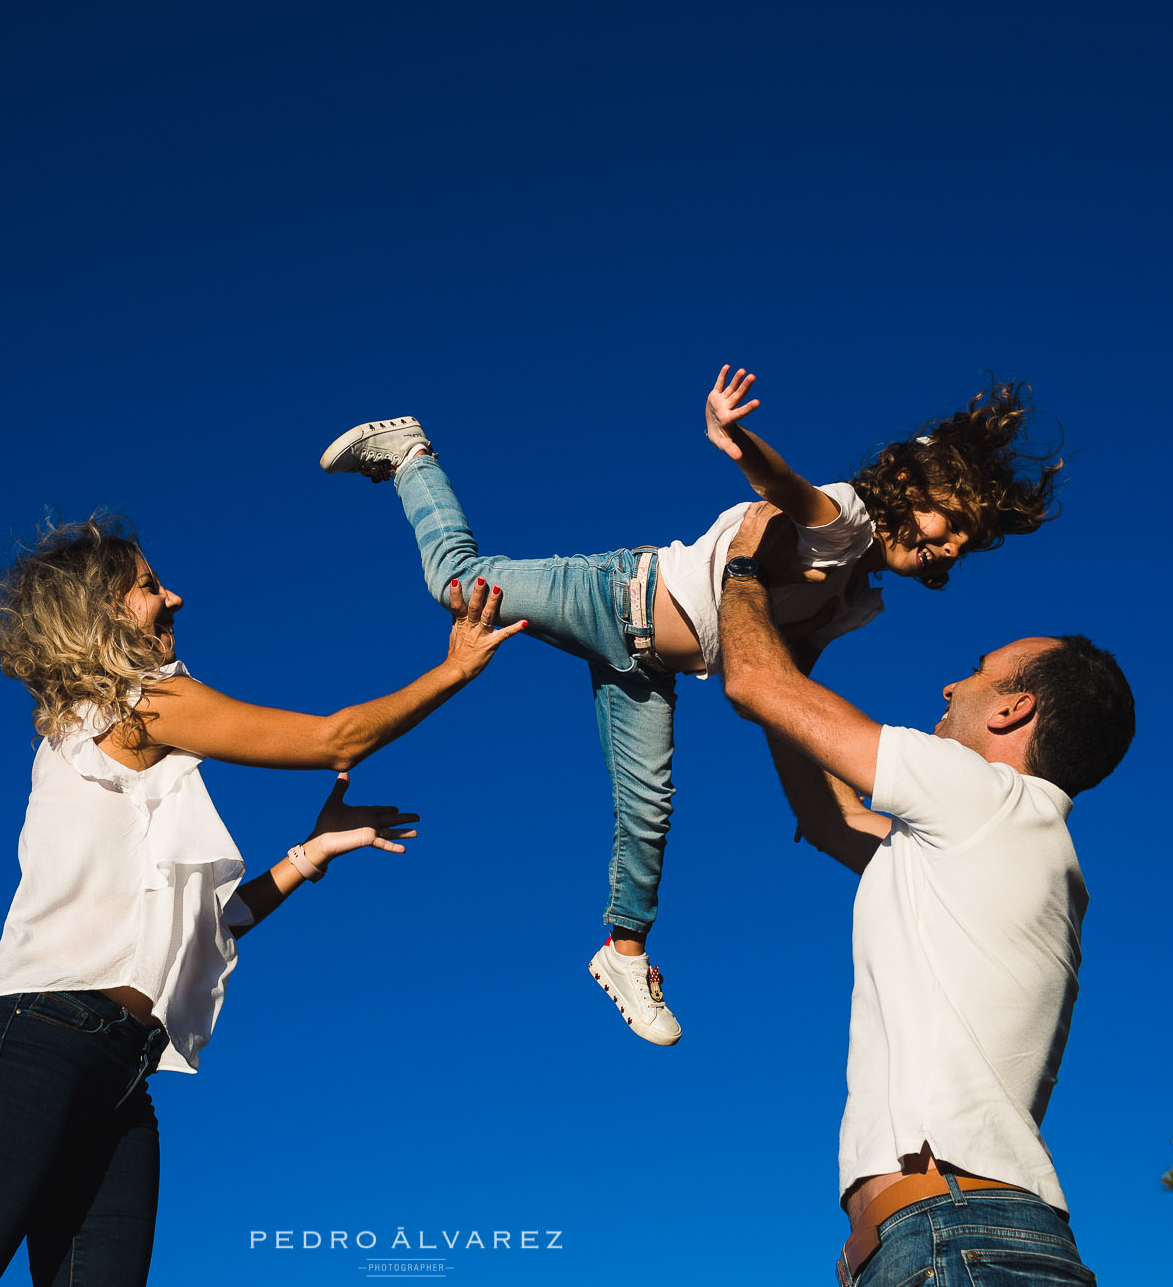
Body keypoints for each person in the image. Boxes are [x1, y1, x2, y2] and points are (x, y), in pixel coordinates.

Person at [318, 366, 1059, 1045]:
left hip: (647, 664)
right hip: (612, 594)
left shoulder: (855, 599)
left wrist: (822, 797)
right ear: (905, 482)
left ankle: (623, 951)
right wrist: (738, 442)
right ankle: (410, 454)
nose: (954, 546)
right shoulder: (848, 520)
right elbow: (791, 489)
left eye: (969, 540)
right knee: (459, 584)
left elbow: (788, 679)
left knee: (650, 808)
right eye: (948, 521)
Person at [0, 515, 524, 1287]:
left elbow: (204, 930)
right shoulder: (139, 704)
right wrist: (451, 670)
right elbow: (335, 740)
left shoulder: (124, 750)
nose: (175, 596)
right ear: (103, 610)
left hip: (120, 1074)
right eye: (150, 585)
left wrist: (307, 855)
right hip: (29, 1043)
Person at [714, 506, 1135, 1287]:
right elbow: (829, 813)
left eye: (977, 672)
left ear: (1013, 710)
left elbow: (752, 681)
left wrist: (739, 575)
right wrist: (791, 658)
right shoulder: (991, 842)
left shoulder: (987, 797)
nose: (950, 682)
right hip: (952, 1235)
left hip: (954, 1233)